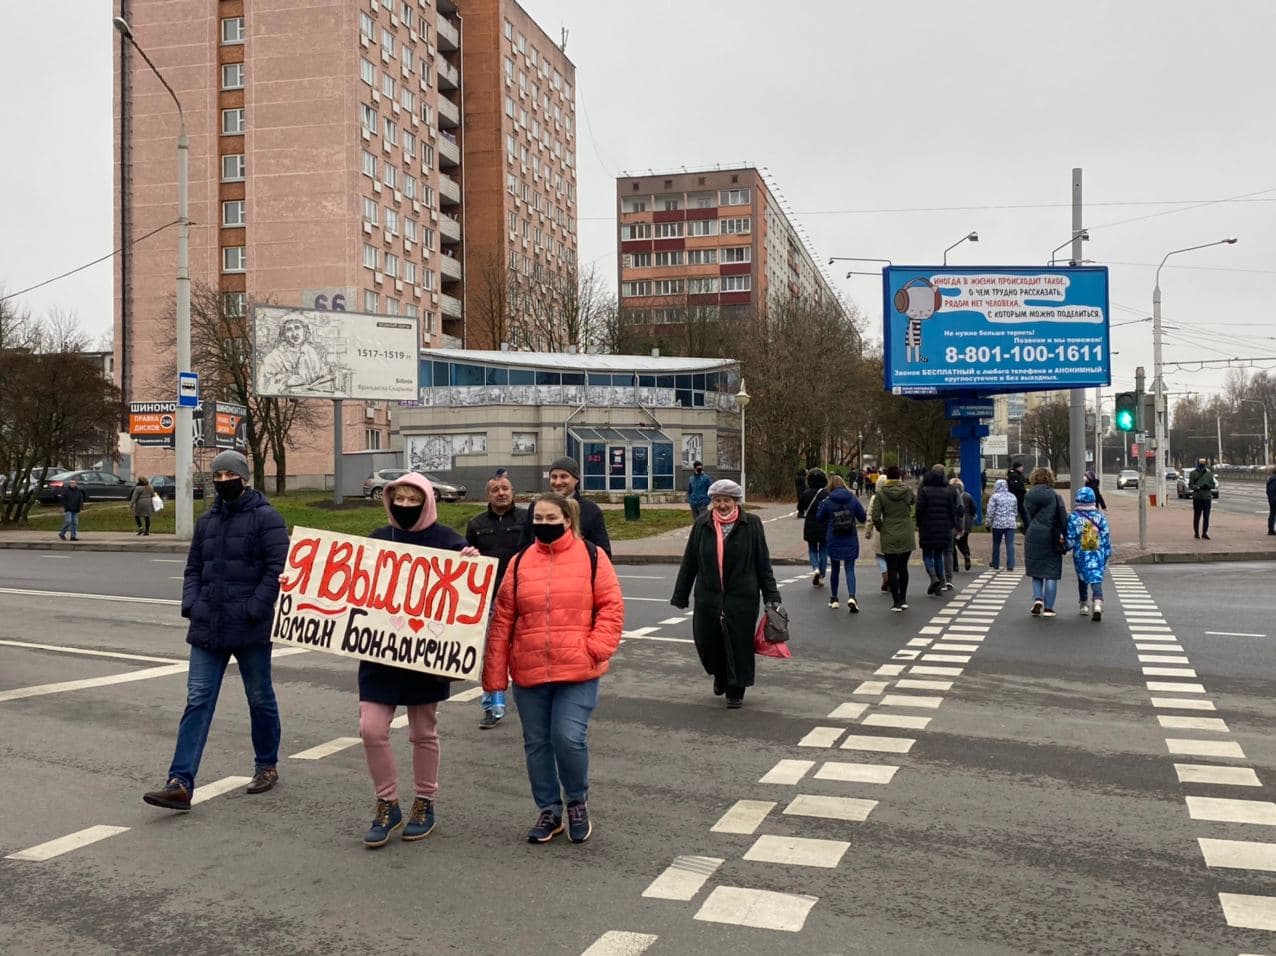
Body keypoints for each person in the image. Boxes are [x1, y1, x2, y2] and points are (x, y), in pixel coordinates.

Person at [142, 450, 289, 812]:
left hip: (250, 625)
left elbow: (278, 568)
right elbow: (193, 568)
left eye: (229, 475)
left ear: (244, 477)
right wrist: (192, 604)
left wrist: (256, 607)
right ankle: (180, 781)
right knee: (198, 700)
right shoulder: (208, 520)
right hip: (208, 624)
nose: (223, 481)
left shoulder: (266, 518)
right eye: (217, 475)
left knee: (259, 697)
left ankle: (266, 765)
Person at [483, 493, 624, 844]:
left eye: (551, 518)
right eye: (538, 518)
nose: (543, 524)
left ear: (568, 519)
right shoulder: (518, 563)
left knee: (568, 738)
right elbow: (502, 621)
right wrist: (495, 678)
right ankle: (548, 810)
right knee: (537, 743)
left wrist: (595, 649)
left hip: (577, 669)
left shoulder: (592, 556)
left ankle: (577, 801)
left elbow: (611, 607)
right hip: (529, 670)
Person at [358, 472, 479, 847]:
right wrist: (300, 580)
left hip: (424, 657)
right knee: (370, 729)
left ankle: (425, 801)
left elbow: (469, 596)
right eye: (400, 499)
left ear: (428, 501)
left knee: (423, 732)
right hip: (380, 654)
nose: (406, 506)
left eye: (414, 500)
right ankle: (387, 801)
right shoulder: (378, 539)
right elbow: (348, 582)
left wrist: (470, 565)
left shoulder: (448, 541)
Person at [671, 479, 781, 708]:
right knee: (706, 640)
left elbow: (763, 564)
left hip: (742, 596)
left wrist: (772, 597)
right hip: (708, 596)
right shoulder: (702, 523)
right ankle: (720, 674)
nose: (722, 505)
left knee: (739, 642)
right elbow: (690, 560)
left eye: (726, 500)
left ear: (736, 502)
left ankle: (736, 689)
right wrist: (681, 594)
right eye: (718, 500)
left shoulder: (751, 524)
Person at [465, 474, 529, 730]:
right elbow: (467, 561)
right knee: (492, 654)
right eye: (495, 490)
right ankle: (492, 706)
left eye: (505, 488)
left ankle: (532, 706)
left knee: (526, 653)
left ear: (513, 492)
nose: (501, 493)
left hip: (523, 597)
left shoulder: (526, 519)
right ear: (487, 495)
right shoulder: (476, 523)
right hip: (491, 599)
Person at [520, 457, 612, 557]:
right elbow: (524, 545)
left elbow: (603, 552)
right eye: (554, 477)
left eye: (564, 477)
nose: (558, 482)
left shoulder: (591, 510)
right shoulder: (537, 506)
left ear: (576, 479)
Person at [816, 475, 866, 612]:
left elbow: (819, 517)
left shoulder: (828, 501)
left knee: (835, 568)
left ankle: (834, 598)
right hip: (850, 537)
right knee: (850, 568)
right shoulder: (852, 498)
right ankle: (852, 597)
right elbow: (862, 517)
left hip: (834, 537)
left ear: (830, 486)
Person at [870, 466, 916, 612]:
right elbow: (913, 502)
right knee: (903, 567)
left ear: (887, 477)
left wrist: (880, 527)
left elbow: (875, 516)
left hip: (888, 531)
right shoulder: (907, 491)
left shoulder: (881, 494)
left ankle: (895, 602)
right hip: (905, 531)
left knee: (892, 567)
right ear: (900, 477)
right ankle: (903, 599)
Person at [1023, 467, 1067, 617]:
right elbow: (1063, 518)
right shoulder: (1055, 497)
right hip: (1051, 536)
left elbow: (1027, 516)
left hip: (1033, 534)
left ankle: (1037, 599)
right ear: (1050, 479)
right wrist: (1066, 536)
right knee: (1051, 572)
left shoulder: (1029, 495)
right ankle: (1048, 608)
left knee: (1036, 570)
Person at [1067, 486, 1112, 621]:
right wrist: (1107, 552)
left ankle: (1083, 604)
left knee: (1082, 576)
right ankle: (1097, 602)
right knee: (1096, 576)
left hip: (1081, 553)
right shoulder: (1099, 517)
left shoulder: (1074, 517)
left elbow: (1071, 538)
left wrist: (1065, 546)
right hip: (1097, 551)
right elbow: (1106, 536)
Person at [915, 465, 958, 596]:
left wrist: (919, 523)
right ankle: (940, 583)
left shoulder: (925, 491)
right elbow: (952, 510)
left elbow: (919, 509)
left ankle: (933, 577)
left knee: (927, 555)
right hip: (943, 527)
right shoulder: (948, 491)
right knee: (938, 555)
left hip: (927, 527)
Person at [799, 468, 831, 587]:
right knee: (823, 549)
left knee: (812, 549)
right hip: (824, 524)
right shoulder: (827, 493)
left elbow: (800, 508)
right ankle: (822, 573)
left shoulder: (806, 493)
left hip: (810, 524)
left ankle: (815, 568)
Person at [985, 478, 1019, 572]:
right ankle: (1011, 564)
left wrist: (988, 523)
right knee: (1010, 544)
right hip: (1011, 523)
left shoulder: (995, 497)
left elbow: (990, 512)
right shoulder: (1013, 496)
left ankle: (995, 563)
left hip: (998, 524)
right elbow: (1015, 511)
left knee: (996, 544)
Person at [865, 474, 890, 593]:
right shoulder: (894, 496)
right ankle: (892, 578)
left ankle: (885, 574)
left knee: (880, 555)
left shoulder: (875, 498)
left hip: (880, 530)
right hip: (894, 530)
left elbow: (870, 516)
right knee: (892, 556)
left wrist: (868, 531)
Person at [951, 477, 975, 572]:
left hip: (955, 523)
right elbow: (974, 508)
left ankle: (955, 565)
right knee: (964, 542)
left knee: (952, 545)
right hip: (967, 524)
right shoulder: (967, 496)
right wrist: (972, 516)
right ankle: (966, 555)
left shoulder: (950, 496)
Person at [1188, 458, 1216, 540]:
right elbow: (1190, 484)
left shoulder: (1209, 474)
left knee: (1206, 516)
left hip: (1207, 497)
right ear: (1198, 463)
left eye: (1203, 463)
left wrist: (1208, 486)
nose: (1202, 464)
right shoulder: (1193, 473)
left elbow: (1213, 485)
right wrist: (1198, 487)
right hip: (1197, 497)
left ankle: (1204, 532)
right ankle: (1196, 532)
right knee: (1197, 516)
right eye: (1201, 462)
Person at [1006, 461, 1028, 527]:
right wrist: (1023, 491)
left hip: (1019, 497)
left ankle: (1025, 526)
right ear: (1017, 468)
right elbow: (1015, 486)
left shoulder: (1018, 474)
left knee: (1022, 513)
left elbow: (1023, 481)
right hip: (1016, 497)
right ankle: (1026, 527)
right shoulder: (1014, 475)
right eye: (1021, 467)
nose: (1022, 468)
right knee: (1023, 513)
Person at [1267, 465, 1276, 536]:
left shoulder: (1272, 478)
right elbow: (1272, 490)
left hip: (1273, 500)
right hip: (1274, 500)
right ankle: (1271, 529)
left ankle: (1271, 529)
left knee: (1272, 514)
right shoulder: (1274, 479)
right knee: (1273, 514)